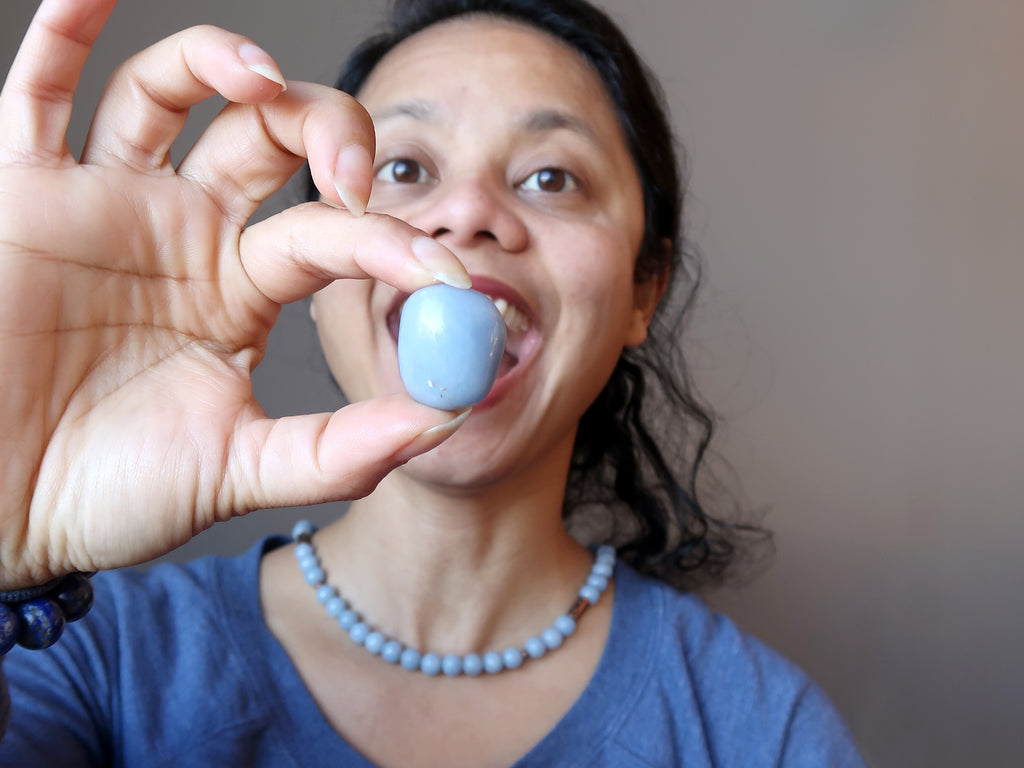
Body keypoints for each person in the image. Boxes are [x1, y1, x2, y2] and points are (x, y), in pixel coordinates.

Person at [0, 0, 867, 765]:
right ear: (316, 272)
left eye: (550, 177)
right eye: (406, 168)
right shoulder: (93, 663)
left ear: (646, 288)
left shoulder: (760, 730)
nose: (469, 213)